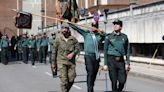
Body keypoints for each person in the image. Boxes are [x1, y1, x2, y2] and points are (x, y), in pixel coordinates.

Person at [69, 22, 105, 92]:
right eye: (93, 26)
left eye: (95, 26)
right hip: (88, 57)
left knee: (94, 74)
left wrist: (103, 32)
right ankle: (89, 89)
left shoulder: (100, 36)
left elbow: (107, 37)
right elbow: (77, 28)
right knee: (90, 72)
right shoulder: (87, 33)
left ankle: (91, 85)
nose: (94, 27)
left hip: (96, 57)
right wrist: (69, 23)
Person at [103, 19, 131, 92]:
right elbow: (105, 50)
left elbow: (127, 50)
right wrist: (105, 64)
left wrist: (128, 63)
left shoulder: (124, 37)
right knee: (114, 81)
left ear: (121, 27)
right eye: (114, 24)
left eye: (117, 24)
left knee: (122, 81)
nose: (115, 25)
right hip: (111, 60)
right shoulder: (108, 36)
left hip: (121, 61)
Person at [51, 23, 80, 92]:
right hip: (61, 61)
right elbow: (54, 52)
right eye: (62, 28)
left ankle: (66, 90)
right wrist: (53, 63)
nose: (63, 30)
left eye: (65, 28)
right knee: (64, 80)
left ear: (68, 29)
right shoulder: (58, 40)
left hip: (71, 63)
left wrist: (73, 53)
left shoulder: (73, 39)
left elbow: (78, 48)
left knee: (71, 79)